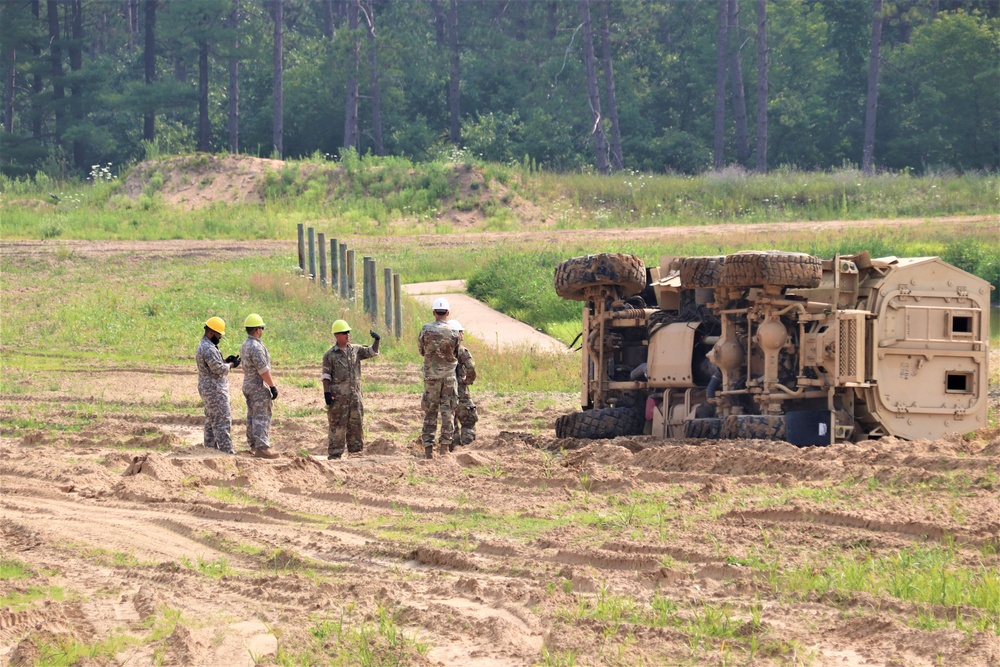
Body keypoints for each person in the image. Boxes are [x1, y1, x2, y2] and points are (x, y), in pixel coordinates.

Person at [321, 320, 380, 459]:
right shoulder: (330, 355)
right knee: (337, 426)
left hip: (355, 397)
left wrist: (377, 340)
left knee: (356, 425)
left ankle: (355, 453)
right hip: (338, 399)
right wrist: (327, 393)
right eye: (344, 333)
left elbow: (372, 352)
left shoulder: (356, 350)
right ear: (337, 335)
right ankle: (335, 455)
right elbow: (326, 376)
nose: (347, 335)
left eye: (348, 332)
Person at [417, 298, 460, 459]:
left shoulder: (426, 330)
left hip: (431, 378)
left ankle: (428, 449)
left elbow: (422, 350)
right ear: (447, 313)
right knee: (448, 412)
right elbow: (456, 352)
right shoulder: (454, 331)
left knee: (430, 412)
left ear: (434, 313)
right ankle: (444, 448)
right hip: (449, 377)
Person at [196, 317, 240, 454]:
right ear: (211, 332)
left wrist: (225, 360)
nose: (220, 337)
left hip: (208, 388)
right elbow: (218, 369)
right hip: (214, 391)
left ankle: (210, 451)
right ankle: (227, 452)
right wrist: (231, 365)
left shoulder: (205, 345)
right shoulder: (208, 348)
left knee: (211, 421)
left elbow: (214, 365)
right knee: (222, 421)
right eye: (219, 334)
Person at [239, 313, 279, 459]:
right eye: (261, 327)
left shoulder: (245, 344)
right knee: (262, 416)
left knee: (252, 415)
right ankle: (262, 447)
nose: (262, 330)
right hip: (258, 387)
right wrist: (272, 386)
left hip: (248, 385)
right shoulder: (256, 347)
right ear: (257, 329)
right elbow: (263, 370)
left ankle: (253, 444)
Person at [447, 320, 477, 449]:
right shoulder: (461, 350)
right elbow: (470, 367)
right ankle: (467, 448)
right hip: (460, 390)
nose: (463, 334)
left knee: (449, 420)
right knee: (468, 420)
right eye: (461, 332)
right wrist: (468, 380)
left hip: (444, 390)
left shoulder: (440, 351)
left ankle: (451, 447)